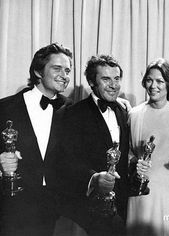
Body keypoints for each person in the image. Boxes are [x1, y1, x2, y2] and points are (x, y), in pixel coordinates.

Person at [0, 43, 73, 236]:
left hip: (55, 208)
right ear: (38, 72)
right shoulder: (5, 108)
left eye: (67, 70)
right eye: (57, 68)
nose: (64, 75)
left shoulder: (71, 110)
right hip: (13, 205)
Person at [56, 54, 129, 236]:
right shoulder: (73, 114)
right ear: (91, 81)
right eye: (106, 79)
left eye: (116, 79)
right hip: (88, 208)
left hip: (121, 204)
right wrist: (94, 178)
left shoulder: (123, 110)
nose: (113, 85)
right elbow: (66, 160)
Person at [126, 58, 169, 236]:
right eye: (149, 80)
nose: (153, 85)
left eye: (160, 81)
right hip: (140, 189)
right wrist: (134, 162)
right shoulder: (134, 114)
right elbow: (128, 151)